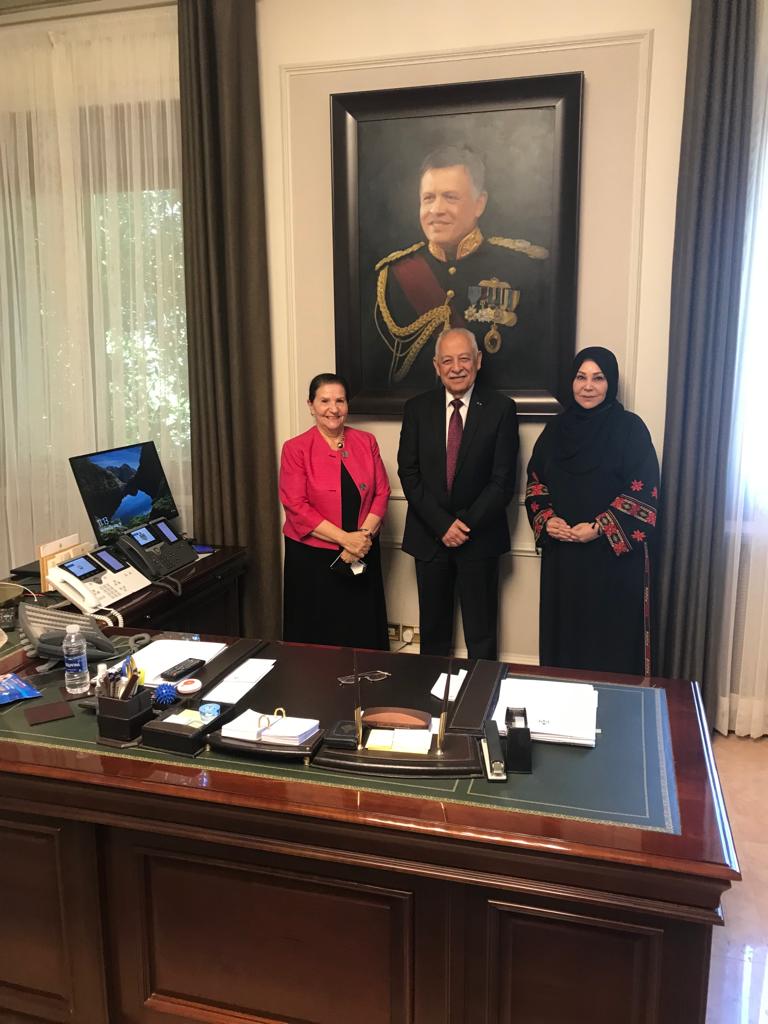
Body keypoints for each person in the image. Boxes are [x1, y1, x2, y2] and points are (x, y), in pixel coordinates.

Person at [524, 347, 660, 676]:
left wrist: (599, 528)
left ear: (610, 383)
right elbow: (536, 484)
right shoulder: (555, 431)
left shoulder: (631, 429)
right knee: (566, 640)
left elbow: (644, 492)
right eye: (581, 377)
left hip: (613, 561)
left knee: (610, 641)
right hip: (564, 559)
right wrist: (547, 520)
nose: (588, 386)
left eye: (598, 378)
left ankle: (614, 704)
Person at [375, 144, 549, 388]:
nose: (436, 210)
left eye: (450, 197)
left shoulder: (521, 268)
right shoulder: (394, 275)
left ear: (479, 204)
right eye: (428, 198)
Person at [397, 327, 519, 660]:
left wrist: (462, 526)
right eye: (447, 360)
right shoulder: (416, 409)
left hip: (479, 538)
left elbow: (502, 481)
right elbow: (409, 473)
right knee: (433, 636)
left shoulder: (501, 409)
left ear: (478, 360)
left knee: (482, 636)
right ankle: (433, 692)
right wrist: (442, 525)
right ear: (436, 366)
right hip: (429, 537)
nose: (456, 368)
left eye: (464, 359)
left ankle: (481, 693)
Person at [279, 373, 390, 650]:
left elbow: (382, 492)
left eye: (340, 401)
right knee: (319, 634)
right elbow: (296, 506)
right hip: (312, 559)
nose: (333, 408)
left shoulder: (367, 441)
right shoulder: (295, 448)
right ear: (311, 405)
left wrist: (361, 539)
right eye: (325, 401)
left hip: (363, 549)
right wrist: (345, 540)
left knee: (362, 629)